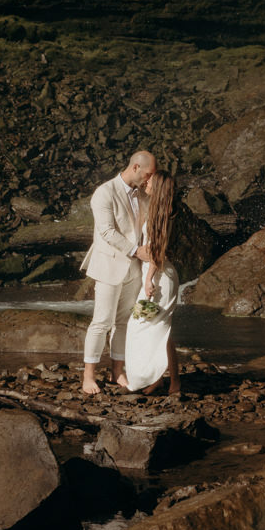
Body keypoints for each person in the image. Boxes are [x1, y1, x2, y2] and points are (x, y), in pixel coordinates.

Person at [80, 149, 157, 396]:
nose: (149, 179)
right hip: (109, 265)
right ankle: (88, 375)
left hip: (134, 268)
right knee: (101, 322)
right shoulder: (104, 192)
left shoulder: (143, 194)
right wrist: (137, 251)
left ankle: (117, 371)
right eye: (148, 174)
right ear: (135, 167)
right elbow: (106, 232)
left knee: (124, 322)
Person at [119, 170, 180, 395]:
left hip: (159, 278)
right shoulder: (159, 209)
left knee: (139, 326)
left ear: (159, 186)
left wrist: (148, 279)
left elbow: (157, 250)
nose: (146, 183)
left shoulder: (162, 212)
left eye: (150, 181)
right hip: (159, 275)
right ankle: (163, 380)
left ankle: (141, 380)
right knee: (160, 330)